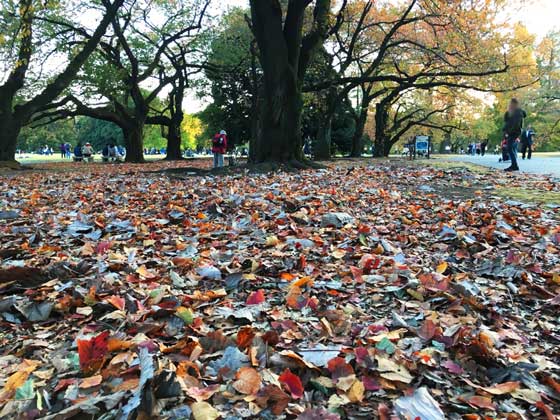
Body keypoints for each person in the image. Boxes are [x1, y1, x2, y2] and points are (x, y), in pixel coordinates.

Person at [503, 98, 526, 172]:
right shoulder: (511, 112)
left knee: (509, 147)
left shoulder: (518, 112)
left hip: (514, 132)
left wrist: (509, 131)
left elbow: (516, 124)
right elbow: (507, 121)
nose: (509, 104)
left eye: (511, 103)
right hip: (511, 132)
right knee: (510, 147)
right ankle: (514, 165)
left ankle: (514, 165)